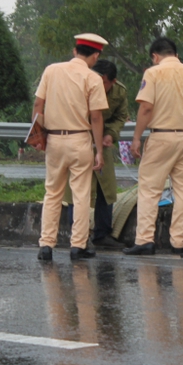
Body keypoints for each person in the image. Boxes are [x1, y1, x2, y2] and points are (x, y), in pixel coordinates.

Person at [123, 37, 183, 256]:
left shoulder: (153, 73)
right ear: (176, 54)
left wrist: (136, 138)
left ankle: (144, 240)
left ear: (155, 56)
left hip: (161, 137)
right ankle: (178, 242)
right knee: (182, 191)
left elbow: (145, 109)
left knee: (150, 189)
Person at [34, 33, 109, 261]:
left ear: (75, 51)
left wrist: (38, 136)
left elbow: (38, 104)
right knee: (81, 194)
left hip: (54, 140)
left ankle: (46, 244)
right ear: (95, 56)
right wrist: (99, 150)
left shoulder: (51, 70)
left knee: (53, 192)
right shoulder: (93, 78)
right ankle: (78, 245)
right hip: (79, 141)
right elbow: (96, 117)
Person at [66, 59, 130, 248]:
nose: (99, 86)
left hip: (102, 142)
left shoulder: (120, 91)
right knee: (77, 190)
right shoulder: (79, 86)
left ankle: (102, 234)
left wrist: (110, 134)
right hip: (80, 139)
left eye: (103, 83)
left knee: (106, 189)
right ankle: (78, 237)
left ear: (112, 81)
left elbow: (119, 116)